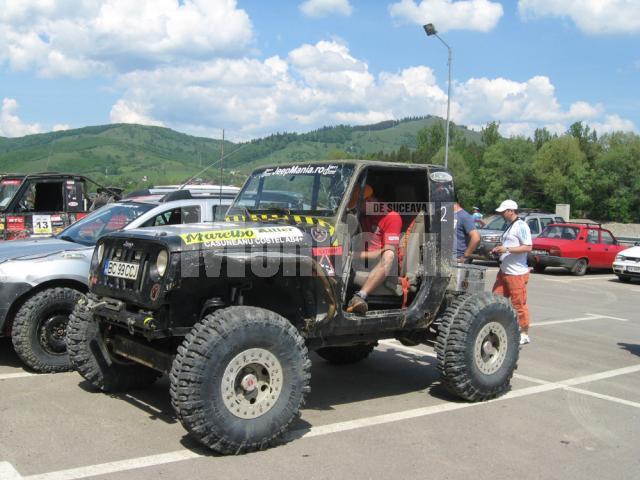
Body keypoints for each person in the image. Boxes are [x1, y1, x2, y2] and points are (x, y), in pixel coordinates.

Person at [346, 184, 402, 314]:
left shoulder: (392, 217)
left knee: (388, 255)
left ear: (369, 201)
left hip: (383, 265)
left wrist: (355, 255)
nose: (358, 210)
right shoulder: (364, 215)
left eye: (359, 206)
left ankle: (360, 296)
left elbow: (386, 251)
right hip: (363, 259)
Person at [490, 199, 533, 345]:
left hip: (516, 273)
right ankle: (499, 327)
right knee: (495, 300)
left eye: (503, 211)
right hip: (504, 271)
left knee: (519, 304)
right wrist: (499, 248)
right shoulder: (510, 225)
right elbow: (510, 244)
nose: (501, 214)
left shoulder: (521, 226)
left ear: (511, 211)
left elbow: (528, 247)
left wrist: (506, 249)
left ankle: (525, 333)